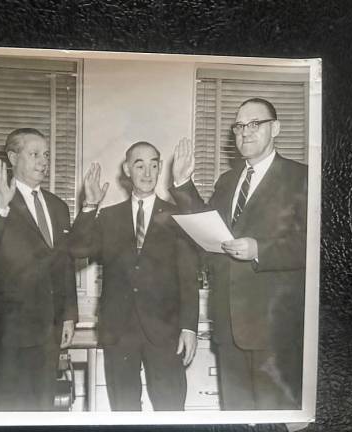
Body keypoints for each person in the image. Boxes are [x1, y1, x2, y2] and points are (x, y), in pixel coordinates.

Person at [170, 98, 308, 410]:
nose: (244, 132)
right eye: (238, 126)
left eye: (253, 124)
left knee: (274, 419)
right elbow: (209, 228)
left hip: (274, 330)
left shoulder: (302, 178)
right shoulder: (227, 180)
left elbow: (315, 244)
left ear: (275, 128)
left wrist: (261, 250)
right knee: (236, 417)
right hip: (228, 325)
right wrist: (183, 183)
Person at [68, 142, 200, 411]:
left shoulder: (177, 217)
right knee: (124, 411)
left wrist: (189, 327)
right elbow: (78, 249)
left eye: (154, 164)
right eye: (139, 164)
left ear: (160, 167)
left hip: (165, 332)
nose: (147, 172)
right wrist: (89, 206)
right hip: (119, 332)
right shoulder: (107, 217)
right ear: (127, 170)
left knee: (171, 410)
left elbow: (188, 276)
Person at [0, 128, 78, 411]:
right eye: (34, 154)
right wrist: (0, 211)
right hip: (7, 333)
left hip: (47, 333)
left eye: (46, 155)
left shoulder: (58, 206)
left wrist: (68, 316)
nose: (43, 161)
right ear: (12, 157)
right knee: (7, 411)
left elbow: (64, 263)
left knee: (42, 410)